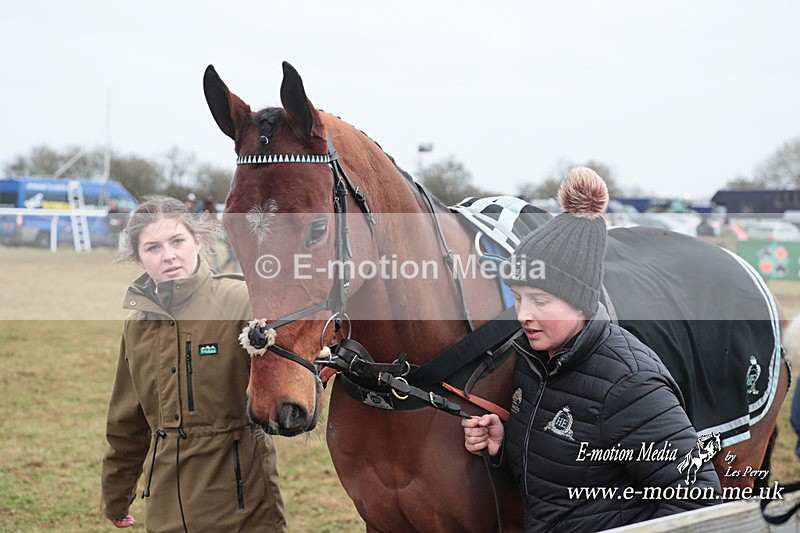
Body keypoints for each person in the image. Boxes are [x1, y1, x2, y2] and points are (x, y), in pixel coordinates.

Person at [462, 168, 721, 532]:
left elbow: (697, 498)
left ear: (580, 301)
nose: (524, 315)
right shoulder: (534, 360)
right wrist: (504, 446)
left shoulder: (631, 385)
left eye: (540, 300)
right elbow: (562, 473)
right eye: (518, 298)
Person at [100, 195, 286, 532]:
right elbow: (126, 423)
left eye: (177, 241)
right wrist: (116, 494)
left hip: (243, 505)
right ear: (140, 260)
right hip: (164, 506)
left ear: (197, 241)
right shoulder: (137, 324)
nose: (168, 255)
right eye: (153, 248)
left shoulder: (242, 303)